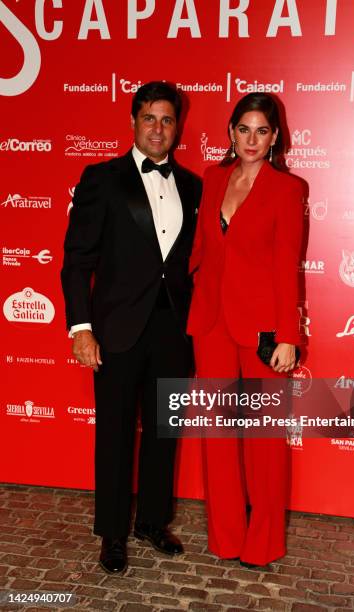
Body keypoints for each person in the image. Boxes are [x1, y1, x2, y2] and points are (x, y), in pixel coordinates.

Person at [61, 81, 202, 574]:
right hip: (116, 329)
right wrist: (80, 327)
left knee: (165, 432)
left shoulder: (193, 185)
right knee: (116, 434)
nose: (159, 129)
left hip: (174, 330)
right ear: (133, 122)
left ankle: (153, 523)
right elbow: (77, 260)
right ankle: (114, 534)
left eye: (167, 120)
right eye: (149, 119)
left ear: (177, 126)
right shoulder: (102, 178)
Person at [187, 93, 304, 568]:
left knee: (264, 442)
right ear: (230, 132)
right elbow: (200, 250)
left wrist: (288, 335)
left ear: (275, 137)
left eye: (262, 131)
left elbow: (286, 266)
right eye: (244, 129)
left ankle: (264, 542)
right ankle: (226, 537)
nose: (252, 140)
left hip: (262, 331)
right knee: (216, 438)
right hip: (211, 323)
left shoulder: (288, 188)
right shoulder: (213, 179)